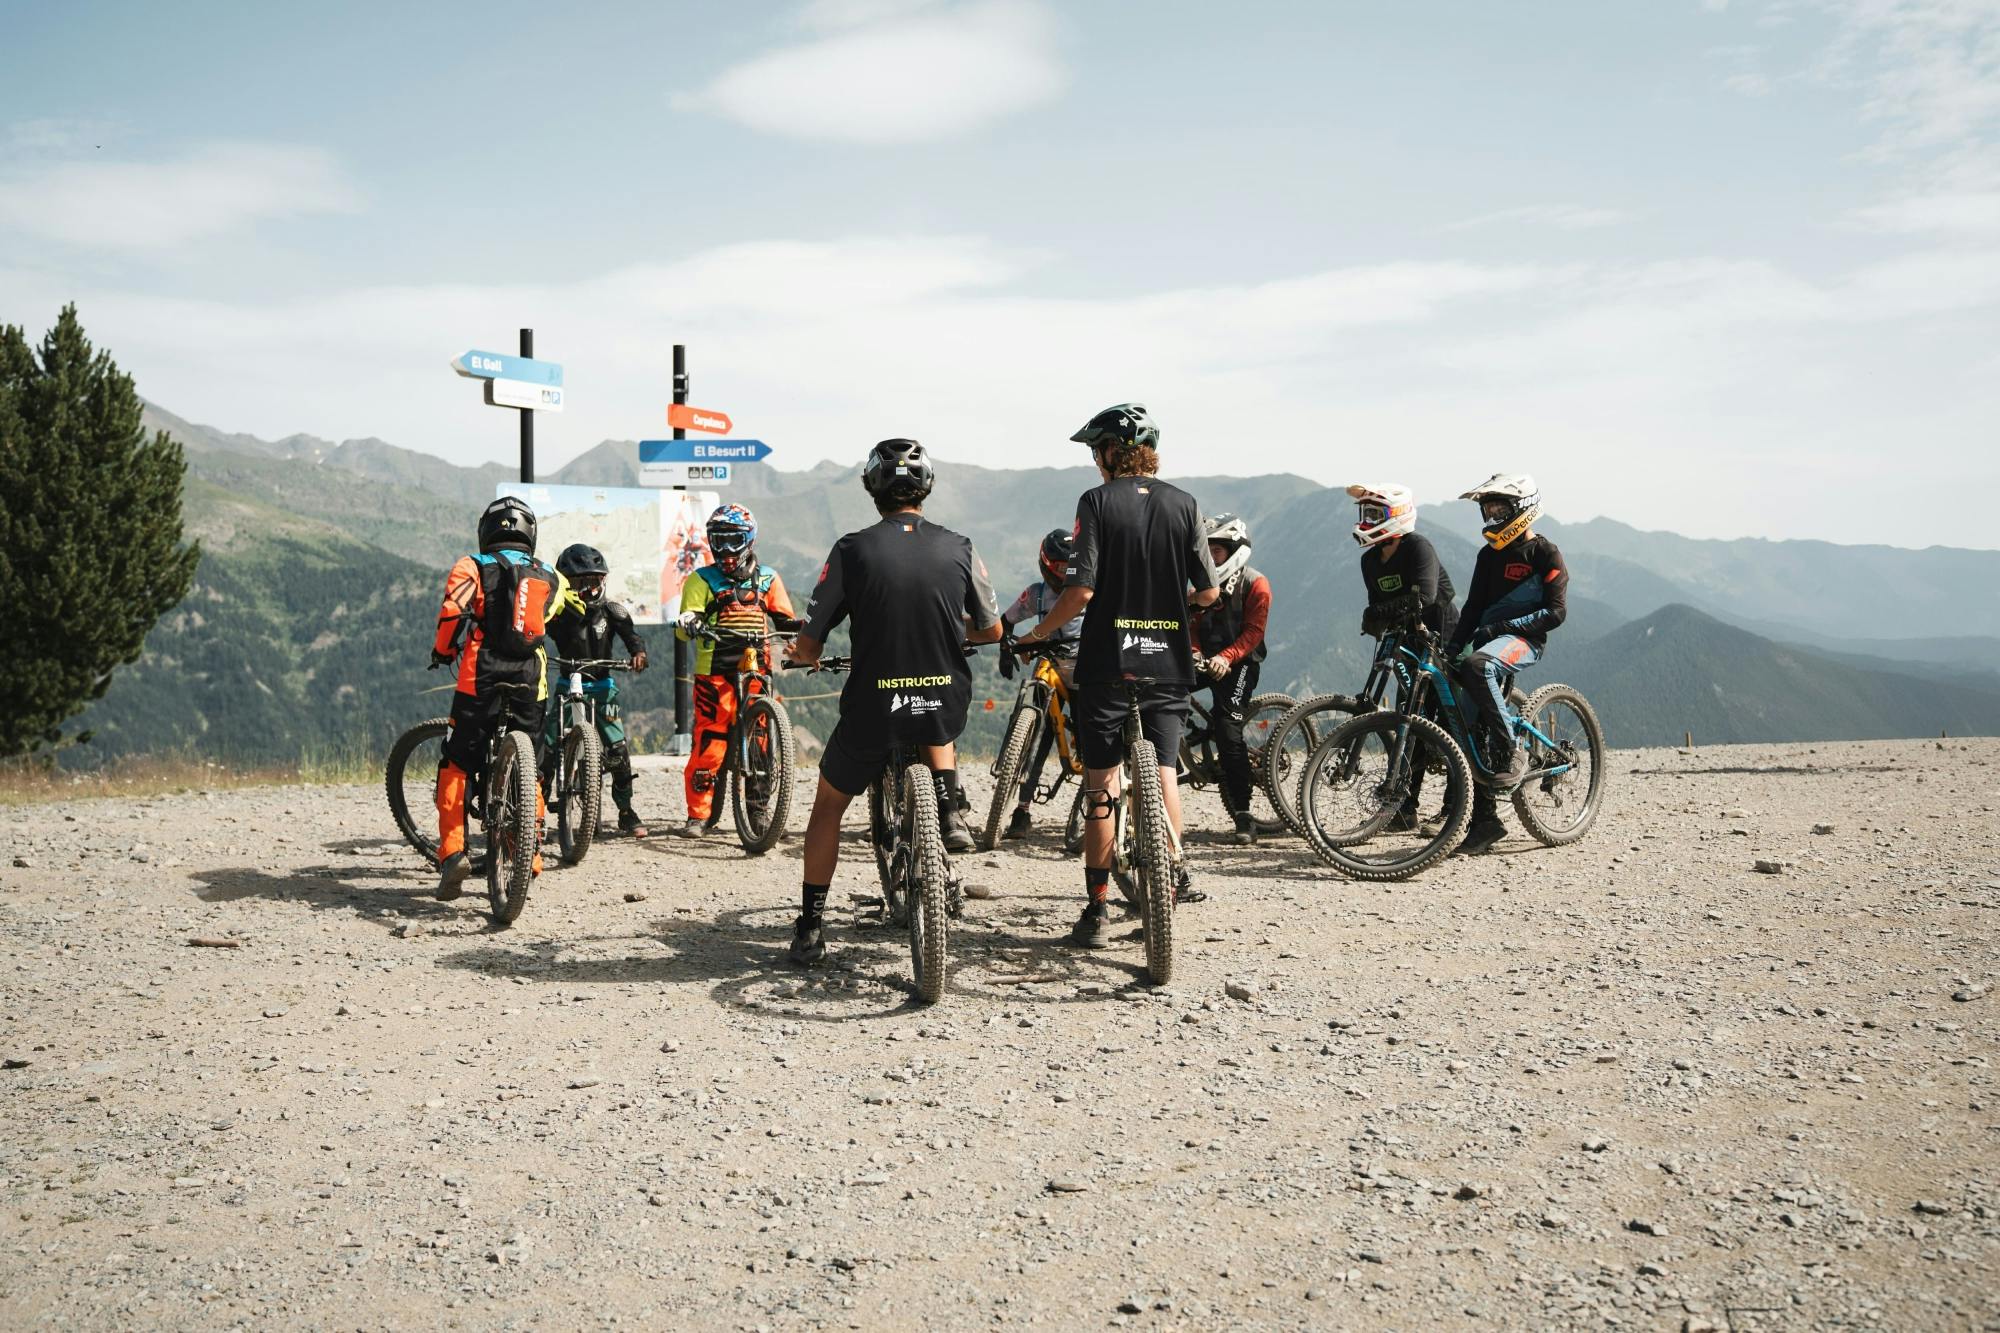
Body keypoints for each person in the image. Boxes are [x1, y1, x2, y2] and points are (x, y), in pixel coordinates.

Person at [783, 440, 1003, 965]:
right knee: (935, 722)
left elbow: (811, 640)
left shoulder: (851, 550)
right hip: (942, 698)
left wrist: (803, 654)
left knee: (828, 809)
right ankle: (949, 808)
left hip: (874, 704)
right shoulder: (961, 546)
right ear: (925, 488)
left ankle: (811, 926)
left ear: (872, 488)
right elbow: (992, 629)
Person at [1012, 403, 1219, 947]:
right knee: (1166, 772)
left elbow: (1079, 590)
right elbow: (1210, 591)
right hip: (1169, 661)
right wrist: (1174, 604)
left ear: (1110, 451)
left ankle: (1098, 911)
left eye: (1094, 451)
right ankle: (1171, 881)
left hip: (1109, 662)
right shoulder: (1185, 503)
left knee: (1101, 779)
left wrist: (1037, 635)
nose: (1094, 462)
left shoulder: (1097, 502)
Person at [429, 495, 567, 899]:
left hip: (480, 674)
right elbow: (551, 614)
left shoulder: (471, 565)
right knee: (535, 771)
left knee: (455, 762)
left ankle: (453, 851)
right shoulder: (550, 575)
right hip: (531, 678)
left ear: (486, 532)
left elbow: (452, 612)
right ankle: (531, 852)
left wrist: (442, 650)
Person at [1445, 473, 1568, 856]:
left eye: (1500, 508)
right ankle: (1485, 823)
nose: (1492, 515)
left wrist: (1505, 626)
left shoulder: (1546, 554)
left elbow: (1556, 612)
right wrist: (1451, 647)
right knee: (1463, 727)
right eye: (1489, 509)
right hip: (1488, 639)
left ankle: (1513, 749)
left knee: (1480, 666)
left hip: (1525, 641)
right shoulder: (1488, 555)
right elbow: (1472, 608)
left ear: (1523, 509)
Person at [673, 504, 801, 838]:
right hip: (713, 672)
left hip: (757, 670)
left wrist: (801, 638)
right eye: (719, 540)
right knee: (710, 742)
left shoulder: (769, 578)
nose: (726, 549)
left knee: (759, 743)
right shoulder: (700, 579)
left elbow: (785, 620)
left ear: (750, 540)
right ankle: (698, 815)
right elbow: (684, 626)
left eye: (734, 540)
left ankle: (759, 814)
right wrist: (691, 621)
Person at [1349, 482, 1457, 831]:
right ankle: (1404, 808)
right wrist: (1379, 618)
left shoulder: (1418, 548)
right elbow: (1375, 607)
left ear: (1396, 516)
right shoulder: (1370, 560)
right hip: (1406, 639)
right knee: (1408, 720)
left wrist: (1382, 613)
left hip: (1441, 635)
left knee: (1450, 720)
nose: (1366, 520)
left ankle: (1456, 805)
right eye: (1364, 513)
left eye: (1374, 514)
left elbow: (1424, 597)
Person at [549, 543, 653, 837]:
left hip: (603, 687)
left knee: (618, 750)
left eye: (595, 581)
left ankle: (625, 810)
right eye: (582, 582)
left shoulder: (612, 610)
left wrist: (639, 654)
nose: (590, 588)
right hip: (565, 686)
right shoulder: (558, 612)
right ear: (567, 583)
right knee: (546, 745)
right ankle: (535, 812)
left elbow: (633, 638)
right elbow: (535, 628)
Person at [1189, 512, 1272, 846]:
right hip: (1204, 660)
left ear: (1235, 549)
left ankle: (1243, 813)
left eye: (1217, 551)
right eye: (1206, 551)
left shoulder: (1256, 583)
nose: (1210, 556)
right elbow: (1191, 626)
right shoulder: (1200, 588)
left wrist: (1226, 657)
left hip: (1241, 663)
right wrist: (1194, 652)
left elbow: (1254, 632)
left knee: (1227, 727)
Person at [996, 528, 1082, 840]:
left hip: (1086, 666)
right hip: (1052, 665)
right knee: (1038, 734)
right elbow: (1006, 622)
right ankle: (1022, 808)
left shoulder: (1088, 589)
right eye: (1059, 568)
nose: (1065, 574)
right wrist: (1006, 650)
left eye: (1070, 568)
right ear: (1047, 565)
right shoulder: (1037, 593)